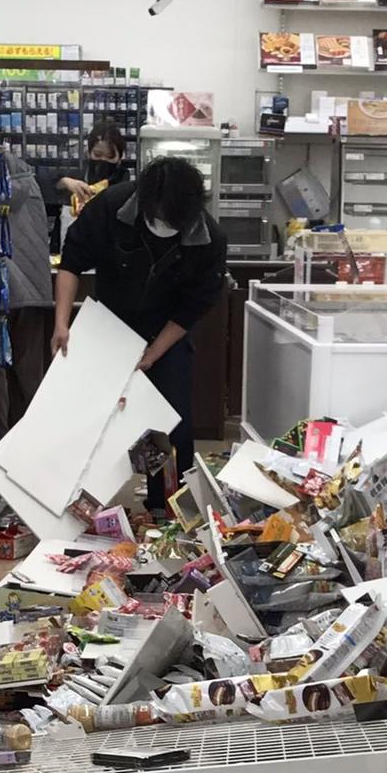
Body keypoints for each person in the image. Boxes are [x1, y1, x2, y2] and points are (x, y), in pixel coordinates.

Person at [53, 155, 228, 510]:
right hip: (108, 327)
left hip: (164, 331)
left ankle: (165, 507)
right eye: (158, 218)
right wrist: (61, 324)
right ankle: (68, 502)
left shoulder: (207, 237)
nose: (163, 225)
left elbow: (193, 308)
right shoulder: (114, 206)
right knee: (88, 414)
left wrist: (153, 354)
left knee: (169, 423)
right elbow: (71, 260)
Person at [0, 144, 53, 440]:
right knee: (30, 379)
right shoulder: (28, 180)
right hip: (33, 293)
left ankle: (1, 448)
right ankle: (33, 447)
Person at [44, 120, 128, 212]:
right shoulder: (76, 179)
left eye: (110, 156)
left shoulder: (127, 189)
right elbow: (40, 185)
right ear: (88, 153)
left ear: (120, 157)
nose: (103, 160)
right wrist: (63, 182)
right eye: (97, 154)